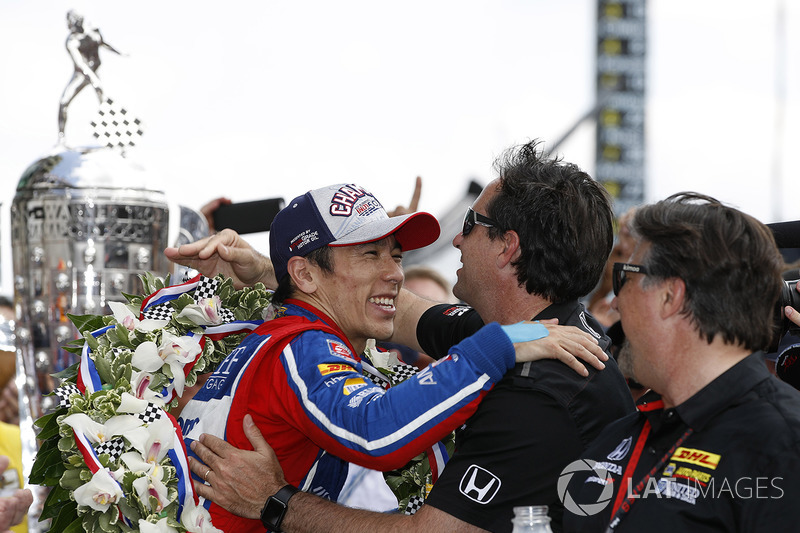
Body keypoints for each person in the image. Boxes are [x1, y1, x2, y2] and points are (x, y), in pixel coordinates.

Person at [171, 140, 635, 532]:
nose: (396, 273)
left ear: (508, 247)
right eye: (372, 254)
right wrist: (273, 270)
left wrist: (276, 502)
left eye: (393, 255)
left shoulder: (544, 378)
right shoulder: (529, 331)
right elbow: (390, 378)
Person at [561, 192, 800, 531]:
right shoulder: (619, 434)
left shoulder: (784, 446)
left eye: (624, 279)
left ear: (670, 296)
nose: (615, 305)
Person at [58, 10, 124, 140]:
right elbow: (80, 65)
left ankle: (115, 135)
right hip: (81, 75)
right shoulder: (71, 41)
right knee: (64, 102)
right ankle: (61, 138)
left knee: (104, 101)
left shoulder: (93, 32)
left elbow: (103, 43)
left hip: (95, 71)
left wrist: (120, 53)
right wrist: (93, 79)